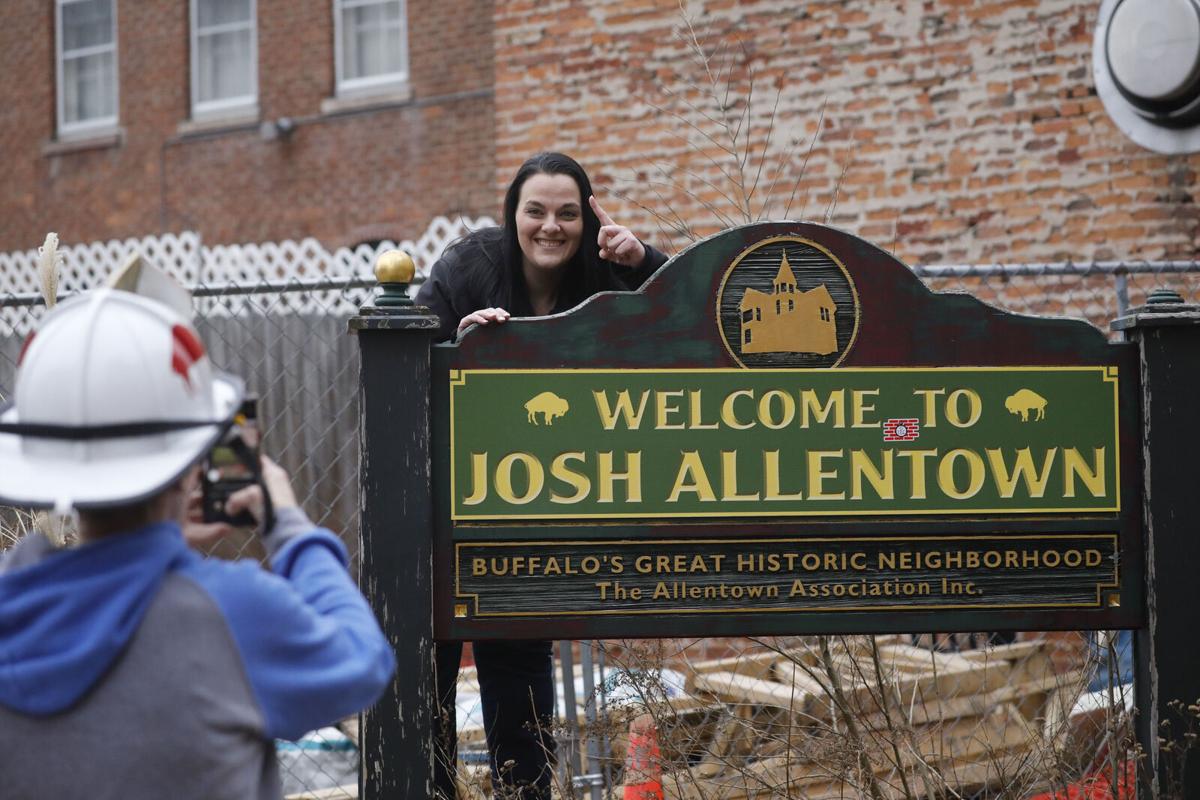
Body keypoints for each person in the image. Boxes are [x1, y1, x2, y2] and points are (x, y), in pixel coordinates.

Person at [0, 288, 396, 800]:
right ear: (191, 461)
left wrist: (153, 550)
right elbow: (363, 663)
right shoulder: (229, 614)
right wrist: (289, 527)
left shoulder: (14, 602)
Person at [416, 151, 669, 799]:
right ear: (513, 214)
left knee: (522, 707)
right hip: (440, 509)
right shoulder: (469, 266)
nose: (549, 226)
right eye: (536, 211)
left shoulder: (604, 278)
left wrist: (643, 261)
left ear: (587, 221)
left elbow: (687, 318)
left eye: (566, 213)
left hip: (526, 519)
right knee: (426, 690)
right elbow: (407, 357)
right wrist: (458, 348)